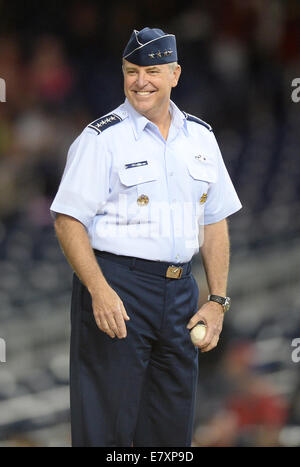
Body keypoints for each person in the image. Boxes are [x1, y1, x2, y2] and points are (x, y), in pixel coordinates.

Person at [50, 27, 242, 447]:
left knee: (171, 433)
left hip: (180, 293)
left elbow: (214, 221)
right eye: (131, 70)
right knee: (107, 432)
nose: (141, 81)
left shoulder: (202, 138)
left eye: (152, 71)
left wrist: (217, 299)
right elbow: (68, 220)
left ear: (175, 74)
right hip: (118, 288)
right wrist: (99, 290)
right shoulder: (101, 138)